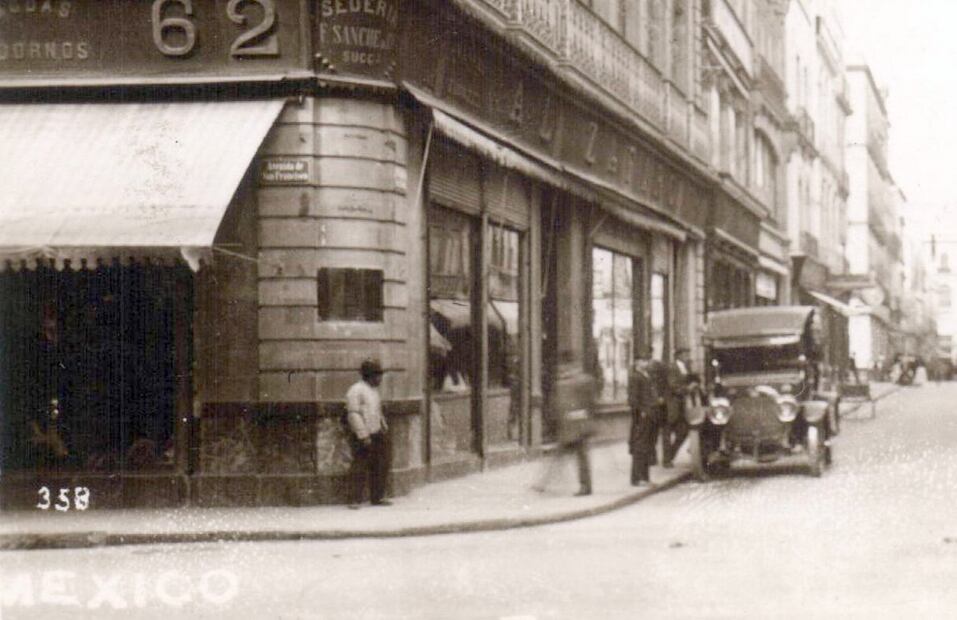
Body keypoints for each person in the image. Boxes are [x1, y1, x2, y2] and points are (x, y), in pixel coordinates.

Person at [534, 357, 594, 496]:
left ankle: (543, 483)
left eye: (565, 369)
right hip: (576, 427)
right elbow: (589, 404)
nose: (563, 372)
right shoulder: (582, 381)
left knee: (563, 457)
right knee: (575, 458)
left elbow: (560, 406)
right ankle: (584, 486)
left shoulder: (568, 384)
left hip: (572, 428)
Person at [345, 359, 391, 509]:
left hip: (377, 432)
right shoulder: (355, 390)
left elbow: (377, 411)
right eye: (378, 376)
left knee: (380, 464)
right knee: (360, 465)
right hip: (363, 435)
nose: (380, 379)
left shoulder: (374, 391)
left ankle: (377, 497)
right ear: (369, 376)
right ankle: (354, 499)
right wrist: (363, 435)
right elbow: (353, 414)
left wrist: (383, 426)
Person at [628, 347, 658, 486]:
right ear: (636, 362)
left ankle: (644, 477)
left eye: (646, 360)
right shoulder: (635, 377)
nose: (645, 363)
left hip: (650, 414)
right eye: (642, 361)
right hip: (643, 416)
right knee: (640, 446)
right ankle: (638, 478)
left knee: (646, 446)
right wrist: (641, 412)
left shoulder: (646, 375)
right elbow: (633, 399)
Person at [663, 348, 695, 468]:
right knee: (667, 433)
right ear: (679, 356)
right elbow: (673, 386)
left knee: (683, 431)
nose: (688, 356)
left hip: (681, 406)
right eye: (686, 354)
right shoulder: (672, 368)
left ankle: (670, 456)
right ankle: (667, 460)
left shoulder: (686, 367)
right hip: (671, 405)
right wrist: (688, 389)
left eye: (688, 354)